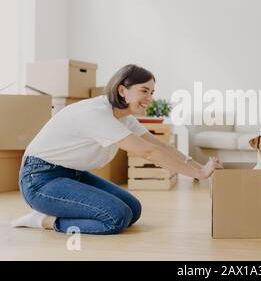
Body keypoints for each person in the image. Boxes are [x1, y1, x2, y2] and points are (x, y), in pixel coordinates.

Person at [12, 64, 223, 234]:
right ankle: (47, 221)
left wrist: (200, 167)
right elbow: (148, 152)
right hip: (39, 180)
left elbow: (158, 145)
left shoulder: (123, 117)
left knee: (134, 209)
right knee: (116, 218)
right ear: (122, 90)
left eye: (152, 92)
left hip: (70, 175)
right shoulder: (96, 113)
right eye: (144, 90)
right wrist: (198, 174)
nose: (150, 98)